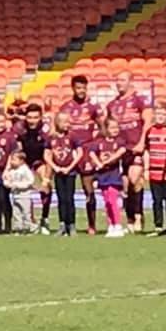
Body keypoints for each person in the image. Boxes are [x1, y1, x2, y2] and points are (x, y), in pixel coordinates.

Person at [106, 71, 152, 233]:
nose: (119, 83)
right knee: (125, 186)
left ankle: (139, 216)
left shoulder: (139, 100)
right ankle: (130, 218)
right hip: (121, 150)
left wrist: (142, 142)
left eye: (122, 80)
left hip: (135, 147)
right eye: (117, 80)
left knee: (135, 179)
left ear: (130, 82)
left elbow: (148, 121)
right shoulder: (112, 105)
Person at [59, 75, 103, 234]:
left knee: (88, 189)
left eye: (83, 88)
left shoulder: (93, 107)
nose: (81, 91)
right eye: (78, 88)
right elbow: (58, 128)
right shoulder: (66, 107)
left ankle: (92, 224)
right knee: (66, 190)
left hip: (86, 151)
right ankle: (68, 223)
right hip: (69, 152)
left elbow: (102, 127)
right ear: (73, 88)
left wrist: (97, 144)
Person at [143, 104, 166, 237]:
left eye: (163, 115)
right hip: (154, 171)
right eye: (158, 114)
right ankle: (158, 226)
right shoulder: (150, 131)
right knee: (156, 200)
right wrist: (146, 169)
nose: (160, 117)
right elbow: (146, 151)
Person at [45, 112, 83, 237]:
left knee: (69, 199)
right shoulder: (51, 138)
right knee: (61, 199)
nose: (67, 124)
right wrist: (55, 167)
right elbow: (47, 155)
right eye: (64, 122)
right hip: (59, 172)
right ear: (57, 123)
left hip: (70, 172)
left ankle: (71, 225)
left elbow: (79, 153)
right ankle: (62, 225)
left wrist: (70, 167)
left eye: (68, 121)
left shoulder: (73, 136)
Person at [18, 103, 52, 234]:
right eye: (30, 117)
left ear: (41, 117)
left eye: (35, 117)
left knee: (46, 187)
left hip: (41, 160)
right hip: (26, 161)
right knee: (25, 192)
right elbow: (19, 149)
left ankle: (45, 218)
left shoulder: (46, 130)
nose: (32, 120)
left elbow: (49, 153)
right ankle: (30, 220)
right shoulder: (20, 129)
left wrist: (46, 178)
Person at [90, 118, 127, 238]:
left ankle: (118, 225)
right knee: (107, 202)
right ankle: (110, 225)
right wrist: (97, 163)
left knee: (112, 200)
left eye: (116, 127)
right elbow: (91, 153)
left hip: (114, 175)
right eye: (112, 128)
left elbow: (120, 152)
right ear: (106, 129)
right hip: (102, 176)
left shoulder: (119, 141)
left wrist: (105, 162)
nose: (115, 130)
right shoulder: (100, 142)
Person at [2, 151, 35, 234]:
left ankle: (27, 228)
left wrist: (18, 185)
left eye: (14, 160)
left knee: (26, 213)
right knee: (16, 213)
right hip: (15, 196)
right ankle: (18, 228)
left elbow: (30, 181)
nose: (12, 162)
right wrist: (7, 184)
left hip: (24, 196)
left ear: (21, 161)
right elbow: (6, 180)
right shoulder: (12, 170)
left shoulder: (25, 170)